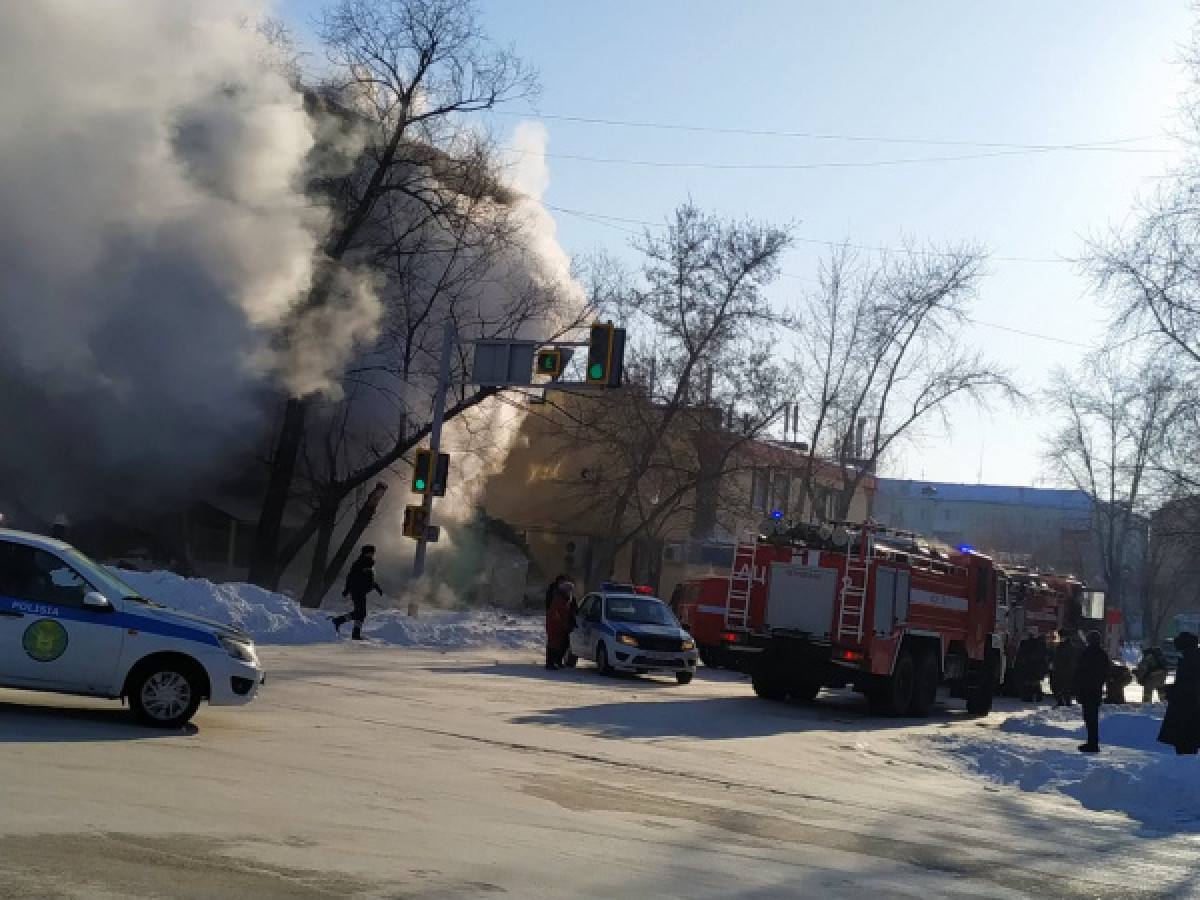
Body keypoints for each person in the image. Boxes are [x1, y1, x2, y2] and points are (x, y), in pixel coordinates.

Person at [1158, 632, 1200, 755]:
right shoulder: (1190, 657)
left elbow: (1189, 685)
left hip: (1186, 708)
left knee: (1185, 743)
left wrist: (1171, 691)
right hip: (1187, 707)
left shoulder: (1190, 659)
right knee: (1185, 743)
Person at [332, 545, 383, 641]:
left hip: (361, 591)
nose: (373, 554)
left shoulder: (368, 563)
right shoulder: (360, 563)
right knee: (360, 613)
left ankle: (355, 633)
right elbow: (351, 577)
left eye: (373, 553)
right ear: (366, 553)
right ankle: (339, 620)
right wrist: (347, 589)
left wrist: (376, 586)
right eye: (371, 552)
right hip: (357, 590)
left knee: (361, 613)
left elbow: (369, 580)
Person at [1075, 630, 1110, 753]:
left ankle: (1092, 743)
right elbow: (1106, 673)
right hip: (1096, 690)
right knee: (1093, 716)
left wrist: (1078, 689)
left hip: (1087, 689)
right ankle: (1092, 741)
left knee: (1089, 717)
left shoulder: (1087, 653)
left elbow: (1080, 672)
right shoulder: (1103, 654)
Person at [544, 574, 574, 670]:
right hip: (555, 624)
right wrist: (562, 623)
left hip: (558, 623)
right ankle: (550, 663)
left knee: (559, 643)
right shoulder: (559, 598)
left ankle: (555, 662)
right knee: (553, 643)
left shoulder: (565, 598)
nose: (570, 592)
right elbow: (557, 613)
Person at [1013, 633, 1048, 702]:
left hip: (1032, 666)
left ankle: (1030, 697)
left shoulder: (1028, 643)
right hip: (1032, 666)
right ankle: (1032, 696)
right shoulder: (1040, 643)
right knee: (1032, 682)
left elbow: (1020, 653)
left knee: (1031, 682)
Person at [1050, 628, 1080, 707]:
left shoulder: (1070, 647)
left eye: (1062, 636)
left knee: (1065, 689)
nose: (1060, 638)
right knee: (1055, 688)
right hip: (1058, 671)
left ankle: (1067, 703)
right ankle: (1061, 702)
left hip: (1066, 672)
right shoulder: (1059, 646)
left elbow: (1072, 661)